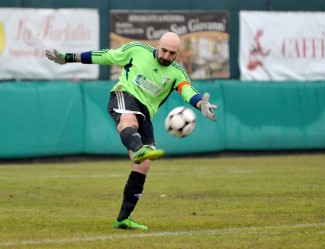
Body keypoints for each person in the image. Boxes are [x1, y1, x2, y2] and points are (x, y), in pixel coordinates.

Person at [46, 32, 218, 230]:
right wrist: (68, 58)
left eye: (172, 53)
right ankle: (139, 147)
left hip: (146, 112)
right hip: (125, 94)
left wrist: (199, 104)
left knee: (143, 165)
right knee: (129, 121)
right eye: (164, 50)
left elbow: (187, 90)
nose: (166, 56)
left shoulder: (177, 73)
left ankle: (123, 218)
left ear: (177, 54)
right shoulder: (137, 50)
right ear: (157, 45)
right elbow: (105, 56)